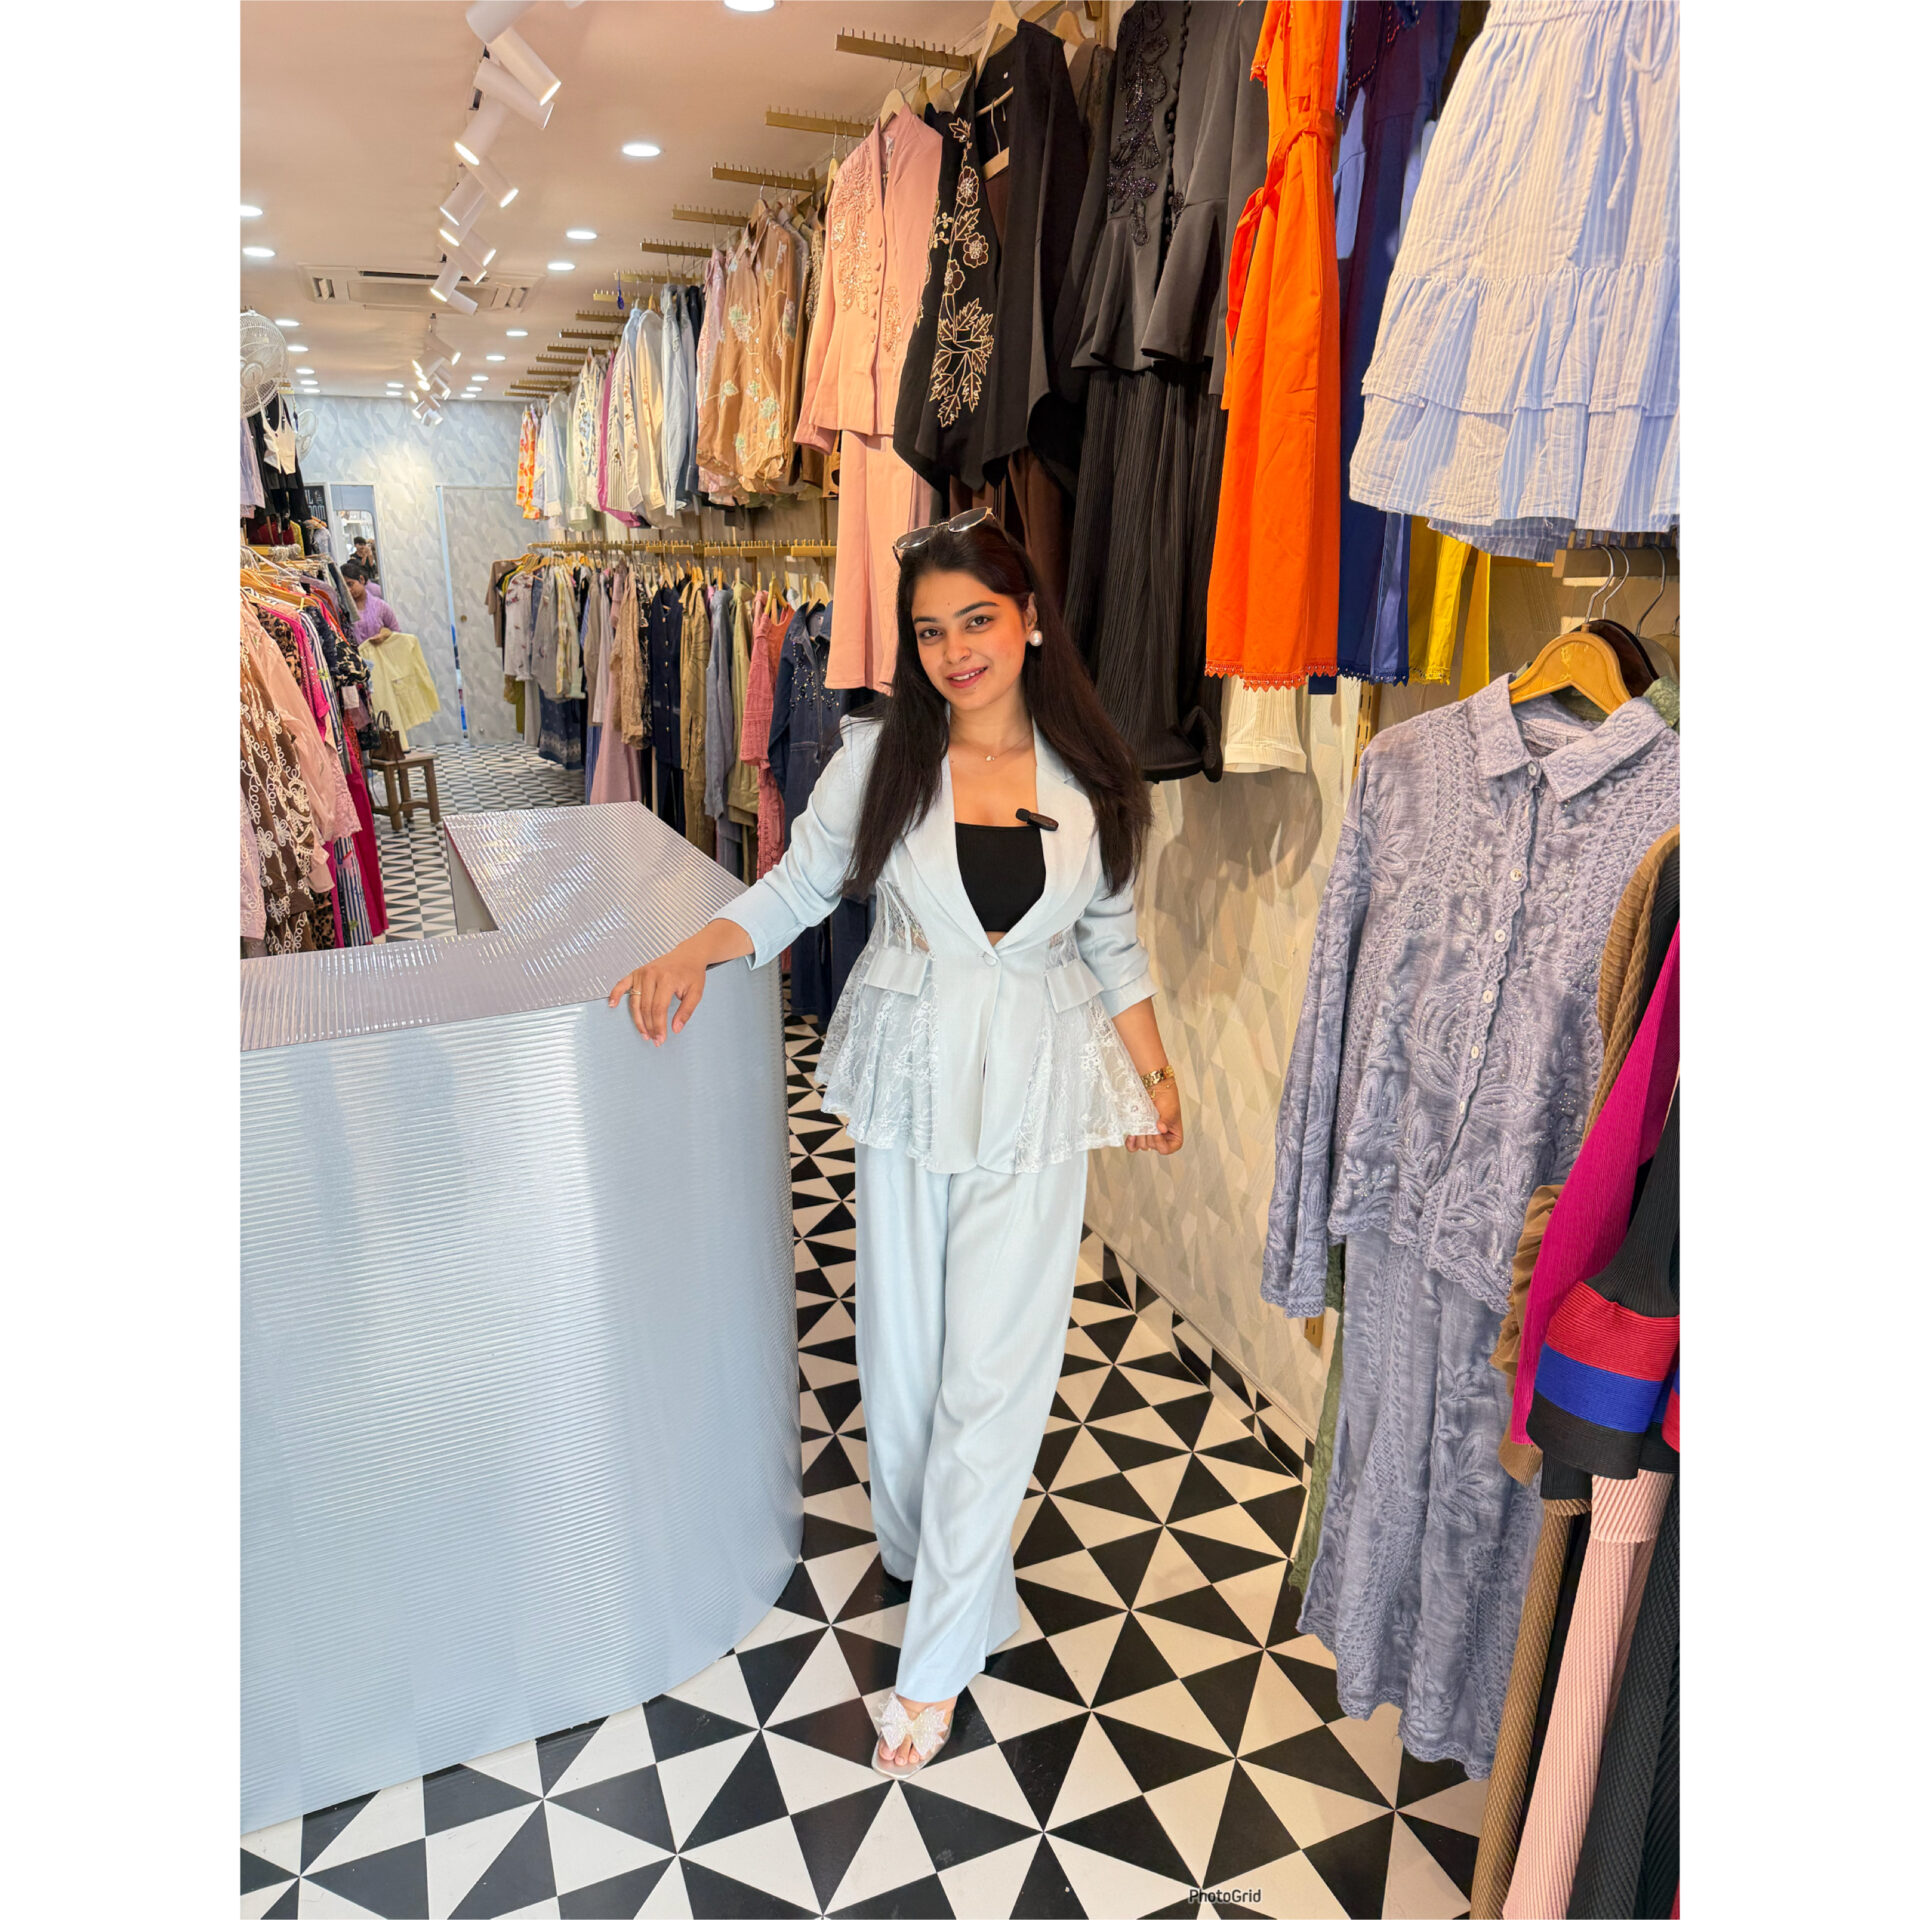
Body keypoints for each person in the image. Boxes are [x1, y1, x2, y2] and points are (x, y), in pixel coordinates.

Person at [610, 514, 1185, 1778]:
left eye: (978, 618)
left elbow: (1112, 944)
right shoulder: (879, 761)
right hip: (911, 1077)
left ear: (1029, 620)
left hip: (1036, 1088)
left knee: (996, 1372)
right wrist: (697, 949)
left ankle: (933, 1667)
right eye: (931, 630)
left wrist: (1154, 1074)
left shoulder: (1092, 779)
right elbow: (799, 885)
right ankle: (946, 1569)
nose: (955, 649)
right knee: (907, 1356)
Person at [340, 560, 399, 645]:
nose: (348, 590)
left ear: (361, 579)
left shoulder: (381, 606)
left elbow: (396, 633)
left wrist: (385, 634)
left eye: (350, 584)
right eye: (344, 587)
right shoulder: (343, 611)